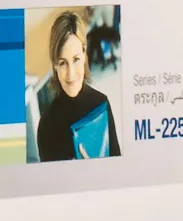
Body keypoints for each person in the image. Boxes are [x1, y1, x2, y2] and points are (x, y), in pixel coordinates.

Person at [34, 10, 121, 161]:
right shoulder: (47, 126)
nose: (71, 74)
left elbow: (117, 165)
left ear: (84, 55)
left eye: (76, 59)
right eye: (63, 63)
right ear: (54, 65)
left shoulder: (102, 104)